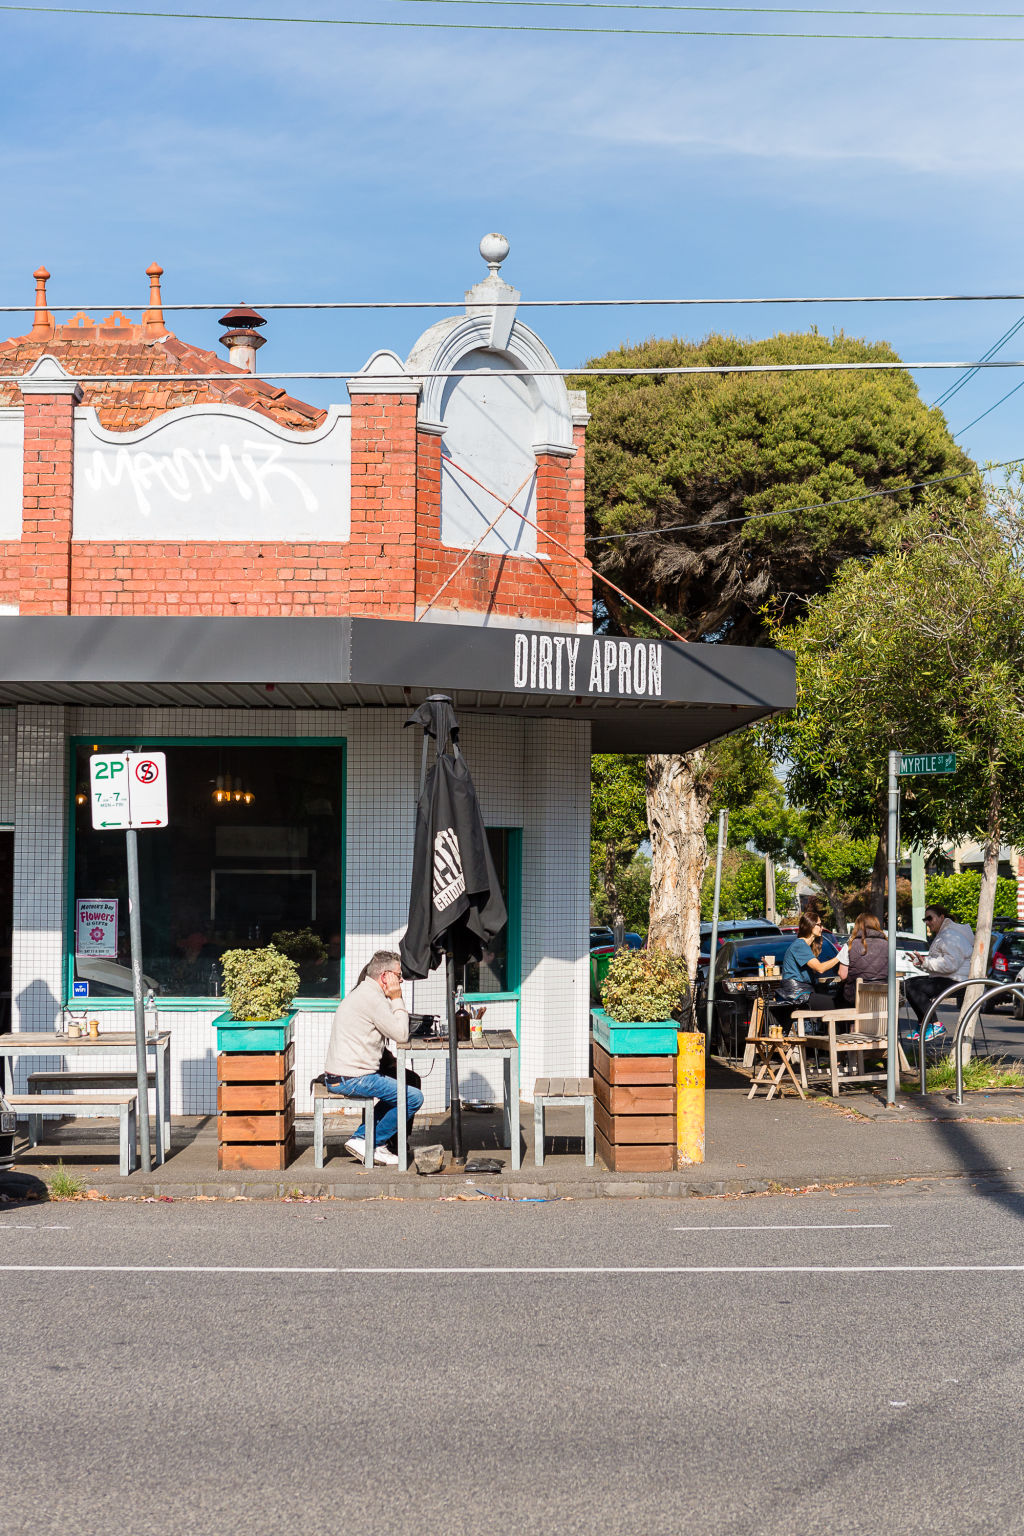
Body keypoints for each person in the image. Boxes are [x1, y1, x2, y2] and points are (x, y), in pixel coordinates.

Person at [322, 950, 424, 1166]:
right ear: (386, 976)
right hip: (353, 1078)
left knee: (400, 1089)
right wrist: (397, 998)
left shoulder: (365, 992)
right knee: (413, 1097)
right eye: (398, 975)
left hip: (343, 1075)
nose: (401, 980)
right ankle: (365, 1139)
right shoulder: (372, 998)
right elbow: (401, 1034)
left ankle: (376, 1142)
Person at [903, 904, 974, 1027]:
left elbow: (951, 964)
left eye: (930, 918)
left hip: (957, 980)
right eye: (925, 920)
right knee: (906, 984)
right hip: (950, 978)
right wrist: (921, 962)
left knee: (913, 987)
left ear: (941, 917)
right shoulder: (944, 934)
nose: (927, 923)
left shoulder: (951, 935)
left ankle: (933, 1024)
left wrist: (926, 962)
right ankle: (924, 1024)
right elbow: (940, 961)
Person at [782, 910, 841, 1013]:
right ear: (811, 925)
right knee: (834, 1004)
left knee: (836, 1000)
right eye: (819, 925)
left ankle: (827, 1029)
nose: (822, 928)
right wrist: (840, 956)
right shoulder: (800, 945)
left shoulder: (805, 946)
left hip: (804, 991)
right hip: (798, 994)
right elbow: (820, 968)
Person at [837, 912, 889, 1005]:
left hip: (856, 997)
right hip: (883, 997)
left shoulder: (850, 945)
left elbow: (843, 974)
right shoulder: (888, 945)